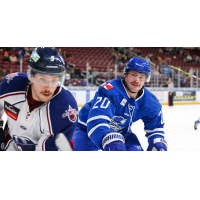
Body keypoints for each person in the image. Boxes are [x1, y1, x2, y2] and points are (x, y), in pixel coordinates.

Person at [72, 57, 167, 151]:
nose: (137, 80)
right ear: (125, 74)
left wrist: (157, 142)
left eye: (141, 77)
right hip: (87, 127)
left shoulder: (151, 102)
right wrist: (107, 137)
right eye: (134, 75)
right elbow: (97, 120)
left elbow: (156, 127)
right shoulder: (111, 90)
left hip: (121, 131)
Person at [0, 47, 78, 151]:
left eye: (54, 80)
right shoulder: (10, 86)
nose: (49, 88)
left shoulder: (65, 109)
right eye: (42, 79)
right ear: (31, 76)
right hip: (12, 144)